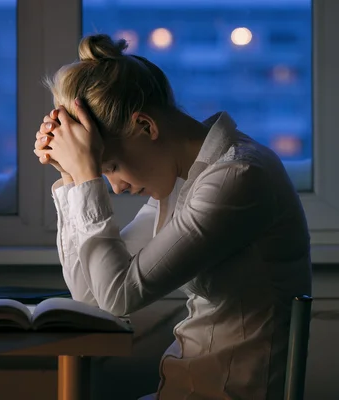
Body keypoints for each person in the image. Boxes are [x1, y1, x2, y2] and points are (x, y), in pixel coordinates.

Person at [33, 34, 312, 399]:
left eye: (111, 166)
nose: (115, 187)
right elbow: (93, 299)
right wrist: (69, 177)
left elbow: (120, 296)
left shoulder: (238, 176)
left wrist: (86, 179)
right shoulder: (187, 179)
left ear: (147, 126)